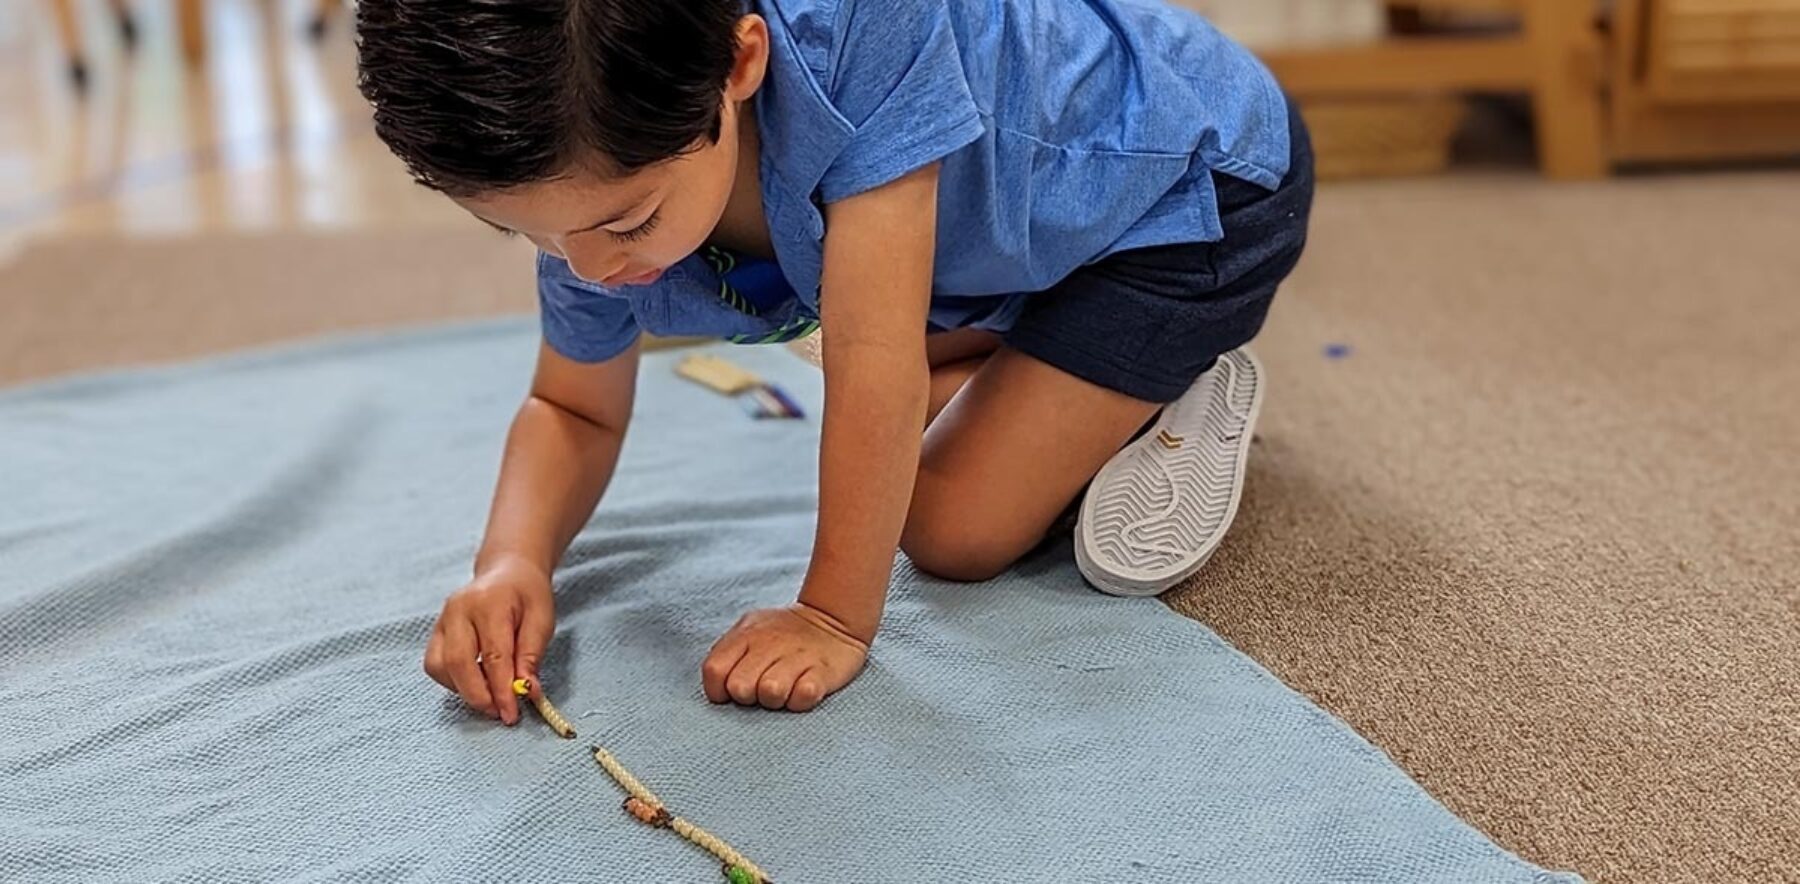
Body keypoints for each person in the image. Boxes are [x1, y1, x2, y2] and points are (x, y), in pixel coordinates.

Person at [354, 0, 1313, 721]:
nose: (592, 271)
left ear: (739, 63)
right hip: (1004, 257)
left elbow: (872, 363)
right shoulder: (590, 202)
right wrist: (509, 562)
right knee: (876, 394)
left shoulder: (863, 32)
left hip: (1195, 194)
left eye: (629, 223)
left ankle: (1164, 378)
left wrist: (833, 618)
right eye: (530, 237)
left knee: (948, 527)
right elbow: (573, 408)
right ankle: (1056, 372)